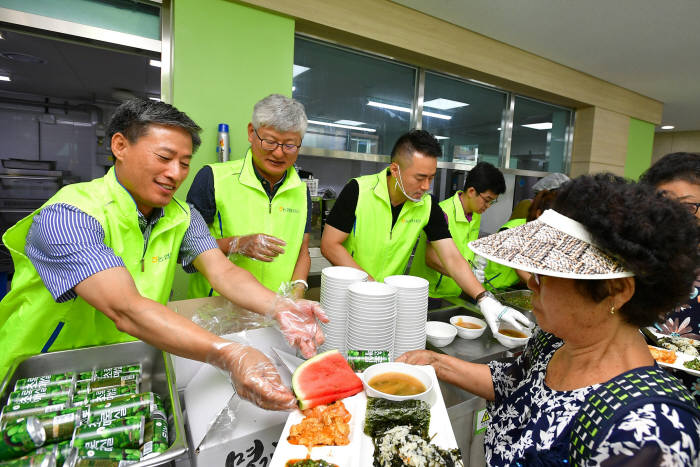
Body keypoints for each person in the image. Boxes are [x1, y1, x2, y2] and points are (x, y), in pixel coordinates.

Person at [0, 98, 326, 411]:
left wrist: (281, 306)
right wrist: (228, 353)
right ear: (120, 146)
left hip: (127, 368)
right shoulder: (70, 214)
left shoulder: (181, 216)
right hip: (39, 376)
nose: (176, 173)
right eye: (164, 157)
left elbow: (223, 272)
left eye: (184, 163)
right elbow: (125, 308)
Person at [399, 174, 700, 465]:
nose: (531, 282)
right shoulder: (555, 341)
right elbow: (511, 383)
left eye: (546, 274)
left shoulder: (651, 431)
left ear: (615, 290)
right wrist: (436, 363)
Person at [321, 130, 530, 335]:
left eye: (431, 177)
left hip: (387, 304)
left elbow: (451, 257)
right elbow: (330, 245)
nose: (426, 186)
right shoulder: (359, 190)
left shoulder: (427, 206)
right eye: (420, 177)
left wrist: (484, 298)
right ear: (395, 170)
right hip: (346, 297)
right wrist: (371, 286)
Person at [187, 94, 311, 300]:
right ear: (251, 133)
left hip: (277, 311)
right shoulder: (213, 178)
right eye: (270, 141)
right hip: (219, 310)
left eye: (289, 145)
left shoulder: (300, 189)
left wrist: (297, 293)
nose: (279, 154)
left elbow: (302, 250)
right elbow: (186, 250)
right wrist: (236, 244)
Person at [641, 152, 700, 401]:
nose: (673, 217)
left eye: (687, 207)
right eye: (663, 206)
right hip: (631, 398)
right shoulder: (637, 259)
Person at [409, 161, 505, 299]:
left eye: (492, 202)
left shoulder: (475, 214)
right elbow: (431, 259)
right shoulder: (443, 212)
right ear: (471, 191)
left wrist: (476, 261)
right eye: (487, 200)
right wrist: (468, 274)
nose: (488, 206)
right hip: (428, 294)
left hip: (454, 292)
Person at [482, 187, 559, 291]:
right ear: (539, 214)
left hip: (509, 286)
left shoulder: (540, 233)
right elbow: (520, 271)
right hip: (491, 285)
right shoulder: (514, 229)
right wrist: (542, 291)